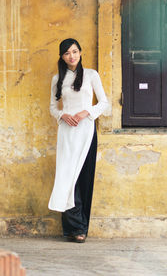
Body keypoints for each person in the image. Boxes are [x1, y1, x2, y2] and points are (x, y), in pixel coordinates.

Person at [48, 38, 108, 243]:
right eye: (67, 53)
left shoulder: (91, 75)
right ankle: (73, 228)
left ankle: (81, 227)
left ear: (80, 53)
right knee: (67, 177)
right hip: (66, 132)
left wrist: (85, 112)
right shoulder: (58, 78)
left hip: (86, 131)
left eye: (74, 51)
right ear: (62, 57)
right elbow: (52, 107)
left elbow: (104, 103)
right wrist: (62, 115)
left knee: (83, 177)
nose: (71, 56)